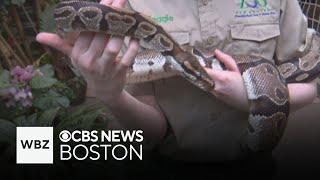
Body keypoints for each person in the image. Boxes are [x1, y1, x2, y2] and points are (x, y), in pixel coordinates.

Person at [36, 0, 317, 178]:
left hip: (255, 166)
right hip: (166, 166)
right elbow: (155, 132)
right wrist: (110, 94)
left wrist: (253, 99)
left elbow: (309, 85)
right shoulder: (127, 6)